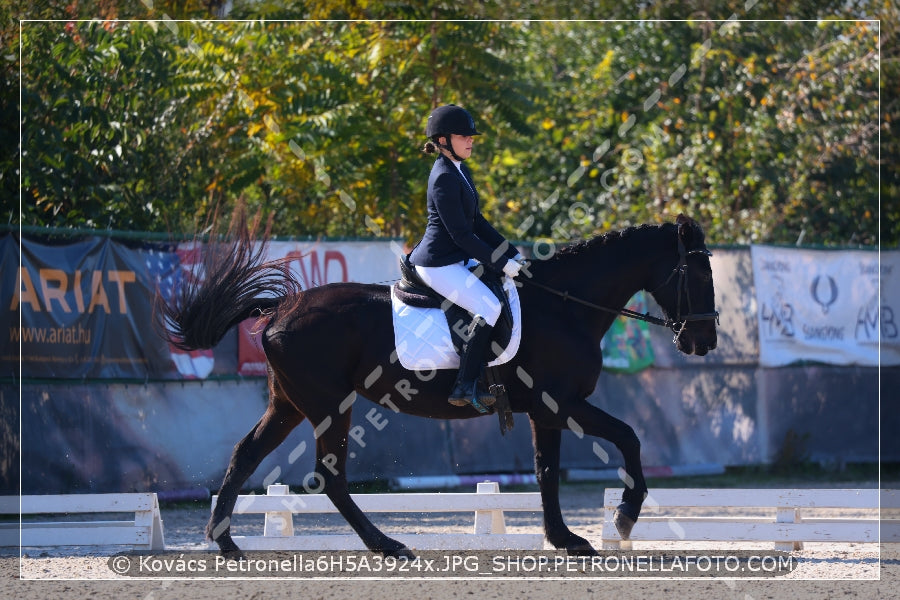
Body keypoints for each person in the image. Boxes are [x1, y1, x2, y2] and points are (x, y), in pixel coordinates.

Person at [408, 104, 526, 413]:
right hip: (438, 265)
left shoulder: (461, 169)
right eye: (464, 136)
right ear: (443, 140)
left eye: (471, 137)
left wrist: (511, 253)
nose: (471, 141)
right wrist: (502, 263)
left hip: (455, 260)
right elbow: (462, 236)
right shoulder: (443, 177)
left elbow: (478, 222)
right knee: (489, 306)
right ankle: (464, 385)